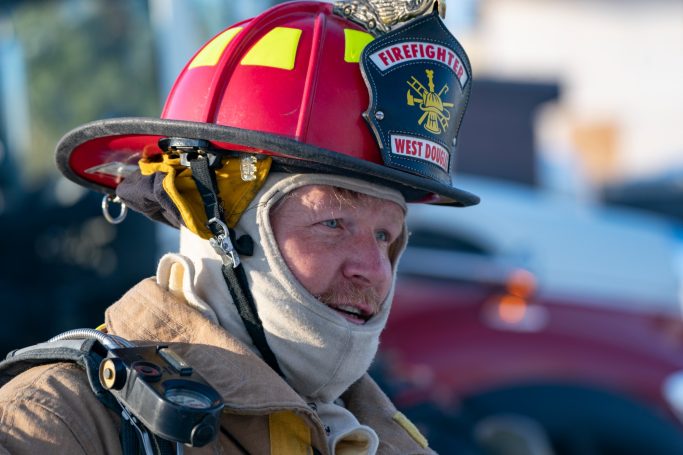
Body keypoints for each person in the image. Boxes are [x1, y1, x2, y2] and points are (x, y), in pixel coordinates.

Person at [0, 0, 478, 453]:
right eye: (332, 222)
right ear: (216, 222)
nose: (373, 269)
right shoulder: (58, 426)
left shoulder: (393, 440)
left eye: (385, 236)